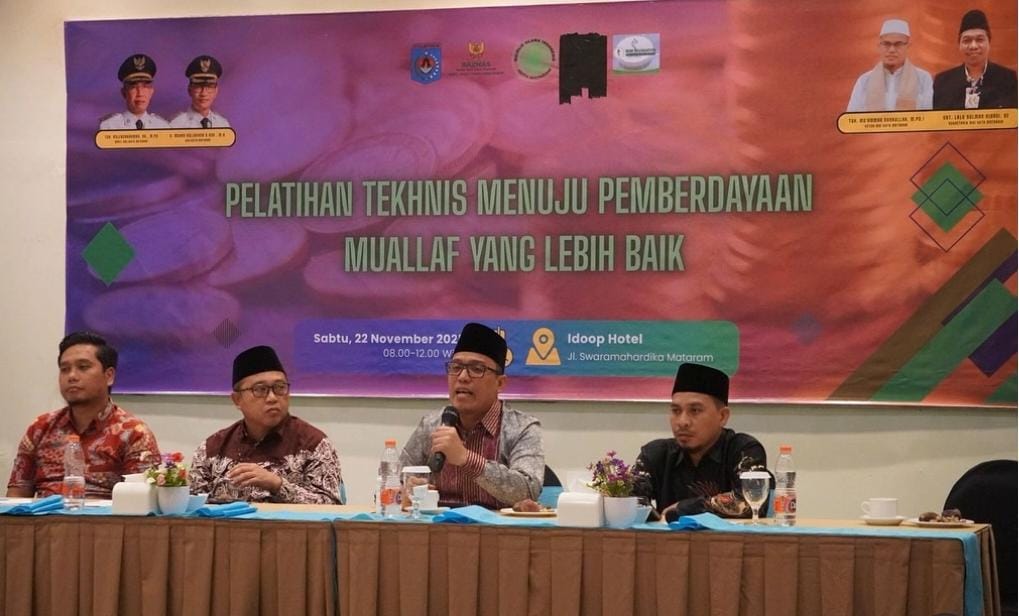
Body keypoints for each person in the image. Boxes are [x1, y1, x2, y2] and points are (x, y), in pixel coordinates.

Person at [400, 323, 544, 508]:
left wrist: (467, 459)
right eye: (456, 367)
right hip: (440, 525)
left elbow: (528, 490)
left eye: (477, 369)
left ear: (500, 383)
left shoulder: (521, 428)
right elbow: (392, 480)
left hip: (495, 526)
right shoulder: (432, 425)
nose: (462, 377)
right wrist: (408, 489)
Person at [6, 332, 161, 498]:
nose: (72, 376)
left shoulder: (133, 433)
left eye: (83, 367)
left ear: (109, 376)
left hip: (105, 514)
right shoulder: (40, 428)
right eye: (65, 369)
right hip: (45, 513)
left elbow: (143, 502)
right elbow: (17, 494)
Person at [188, 345, 343, 504]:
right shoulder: (211, 449)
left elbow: (332, 505)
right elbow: (190, 505)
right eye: (260, 389)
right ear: (237, 400)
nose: (272, 398)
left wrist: (278, 485)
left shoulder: (314, 444)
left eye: (280, 388)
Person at [633, 363, 769, 520]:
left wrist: (686, 508)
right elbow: (628, 499)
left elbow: (752, 503)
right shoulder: (656, 453)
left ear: (722, 416)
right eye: (676, 411)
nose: (682, 422)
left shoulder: (743, 450)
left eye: (695, 410)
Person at [933, 10, 1018, 110]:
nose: (973, 46)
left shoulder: (1007, 79)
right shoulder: (942, 82)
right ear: (959, 45)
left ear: (989, 43)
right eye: (967, 40)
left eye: (979, 40)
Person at [846, 19, 933, 112]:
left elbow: (928, 116)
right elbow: (851, 117)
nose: (892, 50)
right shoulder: (865, 80)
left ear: (908, 46)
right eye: (886, 44)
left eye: (898, 44)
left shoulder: (923, 78)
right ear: (879, 46)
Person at [98, 54, 170, 129]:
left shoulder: (162, 127)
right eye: (133, 87)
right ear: (124, 93)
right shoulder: (110, 126)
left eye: (144, 87)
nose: (140, 93)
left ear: (151, 92)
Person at [169, 55, 231, 129]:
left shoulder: (223, 125)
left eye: (209, 87)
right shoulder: (176, 125)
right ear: (189, 90)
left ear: (216, 91)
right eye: (198, 87)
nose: (203, 93)